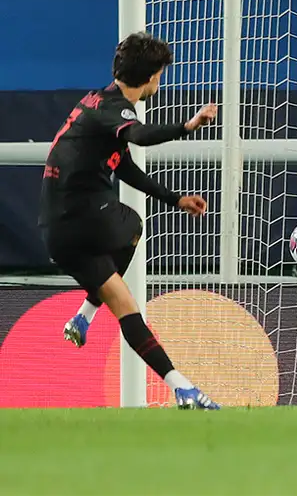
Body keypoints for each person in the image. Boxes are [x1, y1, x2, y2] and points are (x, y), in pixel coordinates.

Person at [38, 32, 220, 410]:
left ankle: (181, 387)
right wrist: (186, 127)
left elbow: (126, 167)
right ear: (153, 76)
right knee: (134, 224)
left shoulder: (96, 101)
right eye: (161, 75)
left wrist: (175, 199)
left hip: (57, 233)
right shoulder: (117, 110)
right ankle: (88, 311)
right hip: (83, 218)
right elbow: (138, 136)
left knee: (126, 307)